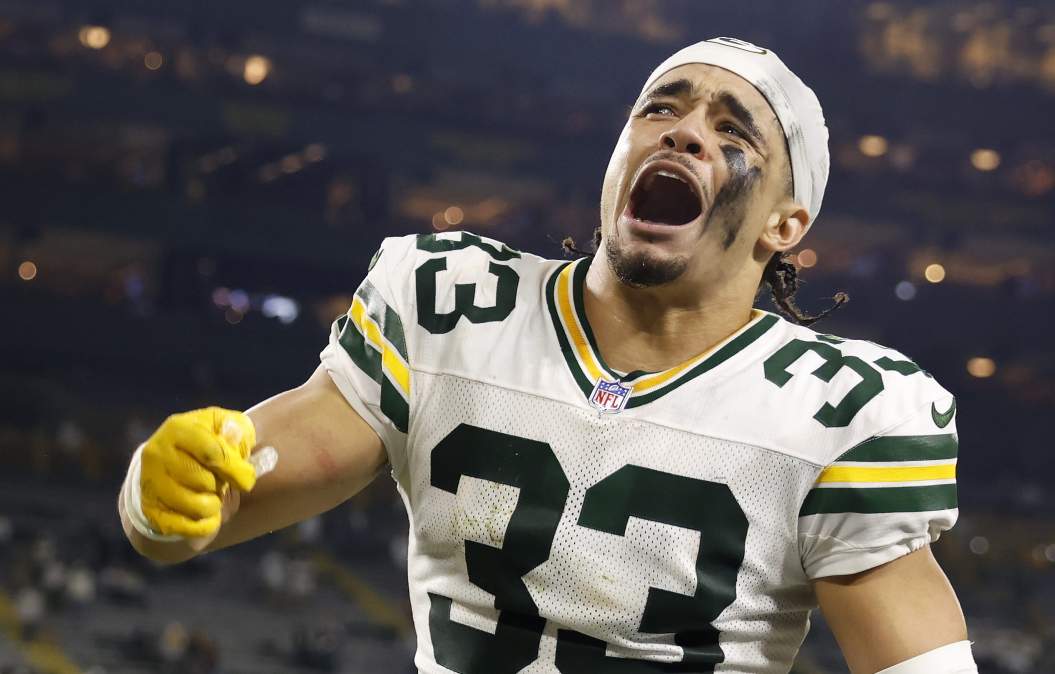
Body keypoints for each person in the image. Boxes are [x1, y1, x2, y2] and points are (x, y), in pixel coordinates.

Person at [118, 37, 974, 673]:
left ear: (786, 226)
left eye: (731, 130)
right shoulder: (451, 301)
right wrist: (159, 497)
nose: (683, 133)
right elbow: (228, 494)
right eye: (660, 109)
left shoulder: (842, 411)